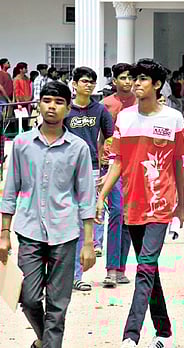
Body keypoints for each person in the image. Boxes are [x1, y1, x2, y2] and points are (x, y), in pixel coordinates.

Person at [95, 58, 184, 348]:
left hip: (161, 205)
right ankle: (165, 334)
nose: (136, 84)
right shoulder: (125, 118)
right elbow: (117, 162)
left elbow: (177, 165)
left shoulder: (173, 119)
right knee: (151, 269)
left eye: (143, 79)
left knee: (144, 268)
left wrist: (180, 205)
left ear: (157, 85)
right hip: (132, 204)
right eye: (135, 79)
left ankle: (130, 336)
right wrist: (102, 196)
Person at [0, 81, 96, 348]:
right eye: (47, 101)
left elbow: (87, 196)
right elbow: (10, 191)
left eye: (58, 102)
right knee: (28, 298)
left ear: (67, 108)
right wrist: (4, 234)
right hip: (29, 230)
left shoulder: (78, 148)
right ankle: (44, 340)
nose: (52, 106)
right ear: (39, 104)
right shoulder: (21, 144)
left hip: (65, 232)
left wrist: (88, 243)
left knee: (58, 304)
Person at [64, 66, 114, 291]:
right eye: (84, 81)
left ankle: (76, 274)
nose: (89, 85)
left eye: (92, 82)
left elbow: (111, 138)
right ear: (74, 84)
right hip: (65, 171)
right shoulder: (65, 109)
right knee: (66, 222)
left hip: (92, 169)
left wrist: (109, 166)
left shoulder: (100, 110)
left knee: (86, 219)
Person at [98, 63, 136, 288]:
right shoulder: (106, 104)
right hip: (113, 164)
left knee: (128, 217)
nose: (128, 81)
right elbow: (101, 134)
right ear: (114, 81)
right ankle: (111, 268)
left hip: (136, 165)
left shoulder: (140, 102)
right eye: (123, 77)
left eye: (130, 77)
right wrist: (101, 156)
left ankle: (121, 268)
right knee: (115, 212)